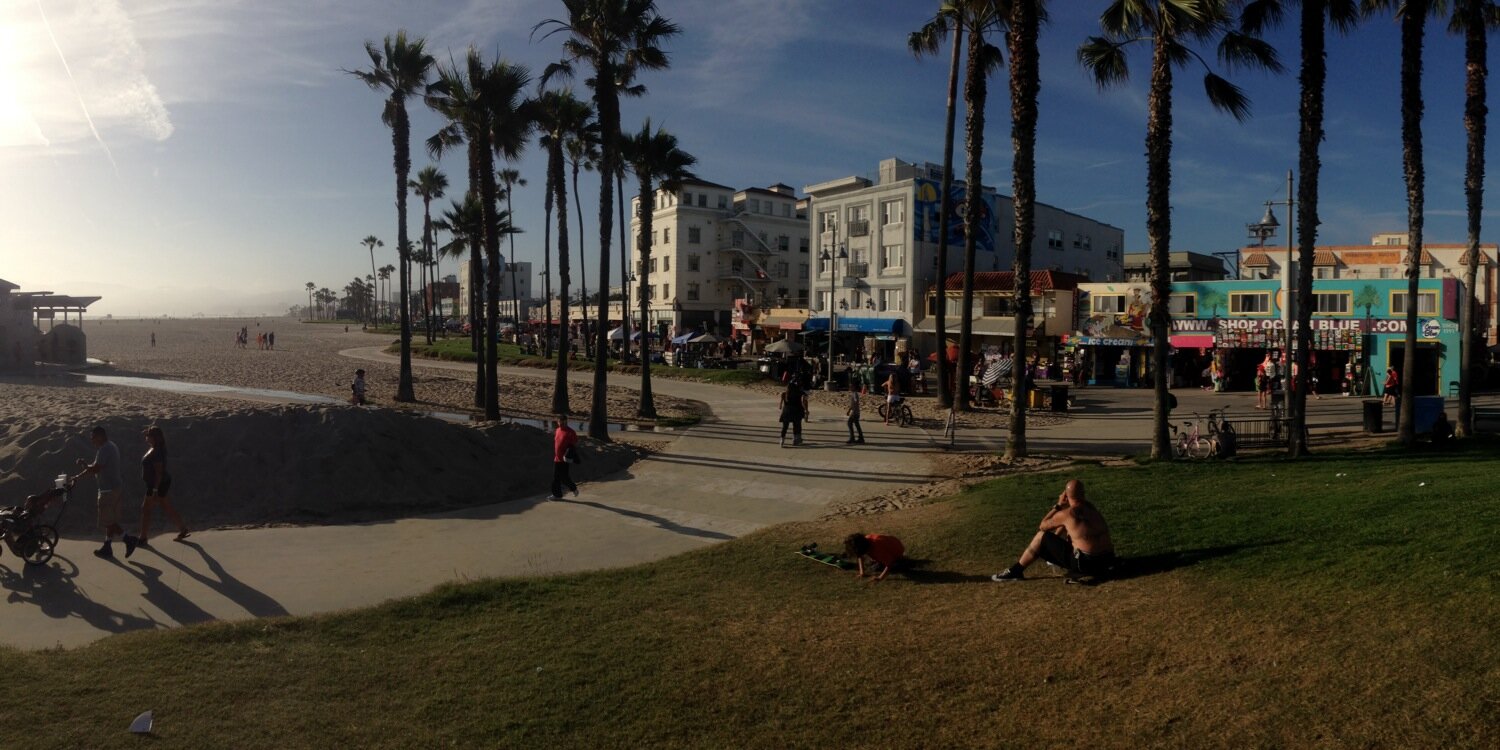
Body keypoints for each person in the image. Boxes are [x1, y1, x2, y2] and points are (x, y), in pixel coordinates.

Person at [992, 479, 1115, 582]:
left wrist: (1058, 506)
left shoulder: (1067, 514)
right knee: (1065, 532)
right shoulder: (1090, 508)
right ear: (1083, 494)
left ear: (1066, 496)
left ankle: (1016, 570)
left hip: (1085, 564)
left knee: (1041, 536)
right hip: (1107, 560)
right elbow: (1069, 523)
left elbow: (1042, 526)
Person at [72, 426, 139, 559]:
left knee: (108, 521)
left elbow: (95, 469)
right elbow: (95, 467)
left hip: (108, 490)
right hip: (115, 487)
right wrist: (78, 476)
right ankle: (107, 546)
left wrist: (84, 465)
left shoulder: (105, 449)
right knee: (110, 519)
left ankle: (128, 539)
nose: (92, 440)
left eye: (93, 437)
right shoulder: (109, 446)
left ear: (101, 436)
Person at [136, 425, 190, 545]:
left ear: (154, 438)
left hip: (157, 484)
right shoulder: (155, 448)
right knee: (166, 507)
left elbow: (159, 473)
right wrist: (148, 431)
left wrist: (154, 490)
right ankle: (183, 528)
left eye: (148, 435)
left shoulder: (156, 452)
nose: (146, 437)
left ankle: (143, 538)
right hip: (157, 484)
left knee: (146, 509)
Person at [548, 416, 580, 500]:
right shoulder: (558, 430)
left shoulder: (571, 432)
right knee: (556, 477)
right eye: (560, 422)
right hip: (557, 458)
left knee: (564, 478)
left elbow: (575, 444)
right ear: (558, 421)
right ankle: (557, 495)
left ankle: (574, 489)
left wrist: (570, 452)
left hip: (565, 459)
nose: (562, 423)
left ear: (566, 422)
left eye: (564, 422)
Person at [778, 380, 808, 447]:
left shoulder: (784, 394)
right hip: (796, 412)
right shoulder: (800, 393)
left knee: (785, 427)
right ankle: (796, 440)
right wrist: (806, 410)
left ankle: (782, 440)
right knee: (796, 426)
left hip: (786, 412)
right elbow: (804, 402)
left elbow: (780, 406)